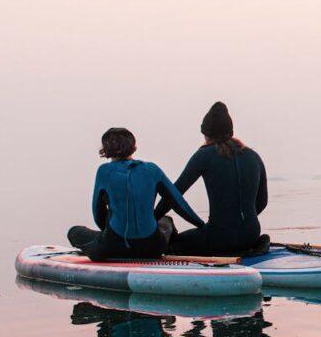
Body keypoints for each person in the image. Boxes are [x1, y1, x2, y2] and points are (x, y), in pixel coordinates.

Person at [68, 127, 206, 261]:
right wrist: (202, 226)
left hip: (113, 247)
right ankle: (172, 249)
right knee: (166, 221)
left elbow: (98, 213)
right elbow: (178, 203)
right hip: (152, 248)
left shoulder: (104, 171)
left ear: (105, 150)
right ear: (134, 147)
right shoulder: (152, 169)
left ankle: (108, 242)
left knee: (74, 232)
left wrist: (108, 233)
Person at [155, 102, 269, 254]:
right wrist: (240, 222)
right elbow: (262, 202)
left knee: (173, 242)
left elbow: (174, 195)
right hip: (251, 234)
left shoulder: (204, 155)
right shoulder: (253, 156)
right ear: (231, 131)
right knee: (234, 235)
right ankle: (256, 244)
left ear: (206, 133)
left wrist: (152, 218)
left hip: (218, 238)